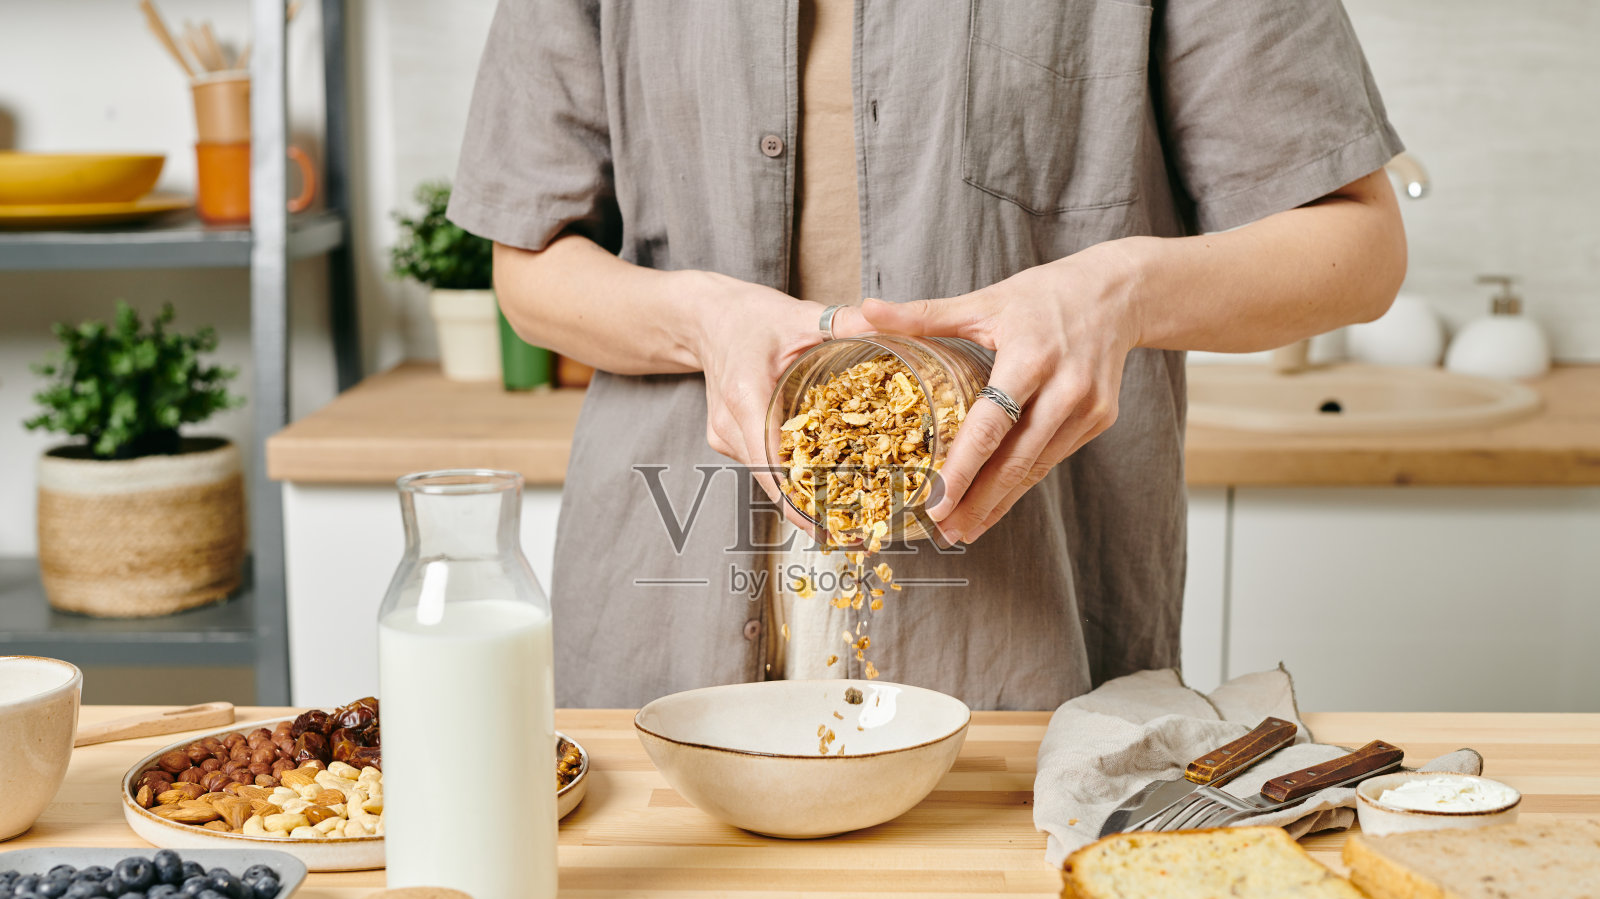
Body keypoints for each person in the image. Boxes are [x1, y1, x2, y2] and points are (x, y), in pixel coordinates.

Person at [448, 0, 1406, 710]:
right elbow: (530, 267)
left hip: (1022, 643)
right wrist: (701, 318)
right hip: (662, 602)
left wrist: (1116, 291)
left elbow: (1358, 251)